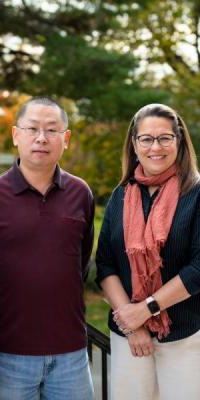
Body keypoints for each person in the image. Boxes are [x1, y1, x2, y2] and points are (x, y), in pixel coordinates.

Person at [0, 97, 95, 400]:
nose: (42, 138)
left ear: (65, 139)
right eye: (33, 128)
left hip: (71, 351)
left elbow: (81, 262)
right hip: (8, 352)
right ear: (16, 135)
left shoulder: (81, 193)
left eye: (52, 130)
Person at [95, 103, 200, 400]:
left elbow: (198, 268)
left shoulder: (196, 193)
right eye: (147, 139)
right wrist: (132, 324)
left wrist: (146, 309)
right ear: (134, 144)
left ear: (179, 141)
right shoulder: (120, 195)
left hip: (184, 335)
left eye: (165, 137)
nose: (156, 147)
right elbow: (105, 265)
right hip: (129, 338)